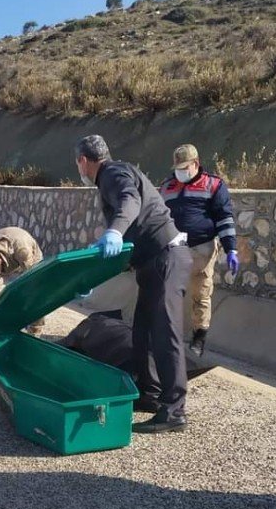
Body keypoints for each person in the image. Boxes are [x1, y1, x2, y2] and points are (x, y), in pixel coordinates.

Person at [75, 134, 191, 433]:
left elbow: (131, 201)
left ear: (83, 161)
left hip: (166, 257)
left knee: (166, 334)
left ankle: (174, 411)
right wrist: (91, 277)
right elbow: (126, 244)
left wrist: (114, 231)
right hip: (151, 263)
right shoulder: (114, 175)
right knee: (143, 331)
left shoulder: (113, 173)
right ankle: (151, 396)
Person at [159, 144, 239, 356]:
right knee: (168, 293)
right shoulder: (167, 187)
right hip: (174, 249)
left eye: (184, 167)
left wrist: (231, 249)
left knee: (201, 294)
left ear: (196, 164)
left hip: (202, 249)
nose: (180, 172)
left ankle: (198, 338)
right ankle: (167, 337)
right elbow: (158, 218)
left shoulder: (213, 185)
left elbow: (224, 218)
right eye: (177, 167)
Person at [0, 227, 45, 336]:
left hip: (27, 262)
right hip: (5, 261)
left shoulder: (23, 251)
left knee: (33, 293)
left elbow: (33, 281)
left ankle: (35, 330)